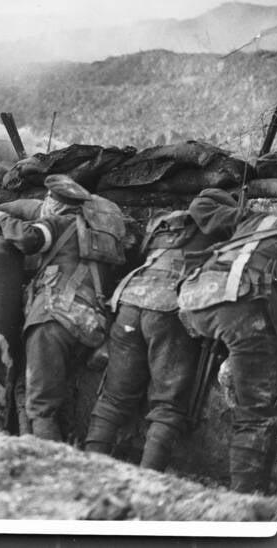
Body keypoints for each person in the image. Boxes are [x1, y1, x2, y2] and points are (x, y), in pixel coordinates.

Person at [84, 188, 239, 470]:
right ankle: (149, 480)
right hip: (168, 309)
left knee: (115, 397)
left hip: (129, 302)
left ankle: (91, 468)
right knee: (168, 405)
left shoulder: (164, 225)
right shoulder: (222, 228)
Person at [0, 174, 125, 442]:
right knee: (30, 388)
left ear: (56, 204)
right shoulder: (99, 237)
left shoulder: (58, 224)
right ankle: (33, 447)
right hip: (87, 324)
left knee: (40, 405)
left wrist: (1, 220)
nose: (46, 203)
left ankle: (47, 464)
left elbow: (28, 239)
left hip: (52, 320)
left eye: (48, 199)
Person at [177, 203, 277, 494]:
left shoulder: (257, 219)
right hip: (241, 306)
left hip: (194, 299)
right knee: (255, 413)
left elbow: (201, 204)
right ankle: (243, 499)